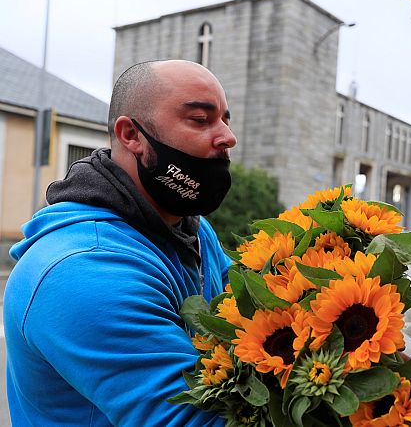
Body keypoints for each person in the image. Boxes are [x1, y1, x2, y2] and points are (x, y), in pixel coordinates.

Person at [4, 60, 237, 426]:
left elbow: (246, 311)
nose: (227, 136)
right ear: (131, 135)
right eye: (200, 119)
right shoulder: (82, 271)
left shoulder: (190, 228)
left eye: (225, 119)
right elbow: (196, 419)